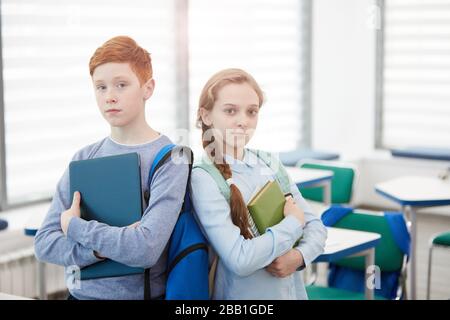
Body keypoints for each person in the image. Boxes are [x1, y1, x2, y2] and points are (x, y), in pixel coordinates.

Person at [34, 36, 189, 300]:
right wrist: (97, 251)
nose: (110, 97)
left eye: (121, 85)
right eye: (101, 87)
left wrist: (74, 227)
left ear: (148, 88)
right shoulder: (84, 157)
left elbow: (145, 249)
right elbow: (44, 243)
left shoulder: (171, 159)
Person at [190, 68, 327, 299]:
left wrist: (298, 257)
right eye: (230, 111)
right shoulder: (203, 178)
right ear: (206, 115)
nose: (243, 121)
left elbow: (316, 228)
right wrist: (293, 223)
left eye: (251, 112)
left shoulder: (269, 162)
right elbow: (240, 259)